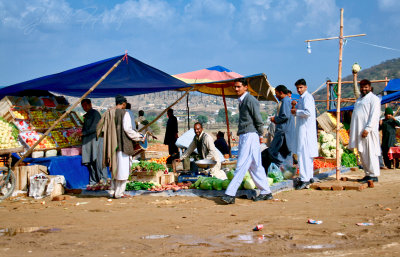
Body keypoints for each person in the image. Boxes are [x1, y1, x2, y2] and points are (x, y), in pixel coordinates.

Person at [221, 78, 273, 204]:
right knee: (255, 166)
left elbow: (258, 119)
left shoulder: (250, 100)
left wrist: (260, 134)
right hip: (246, 135)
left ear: (245, 87)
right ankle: (266, 191)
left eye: (238, 86)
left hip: (250, 135)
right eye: (235, 87)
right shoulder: (243, 101)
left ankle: (230, 193)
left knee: (241, 165)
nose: (236, 89)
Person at [97, 95, 144, 198]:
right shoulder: (124, 113)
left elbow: (100, 127)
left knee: (115, 169)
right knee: (123, 170)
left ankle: (113, 191)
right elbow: (127, 129)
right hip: (123, 145)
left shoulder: (109, 112)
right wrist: (139, 137)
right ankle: (119, 193)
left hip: (112, 145)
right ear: (123, 104)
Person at [349, 79, 381, 183]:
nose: (364, 89)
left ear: (370, 88)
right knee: (362, 153)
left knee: (370, 152)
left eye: (366, 87)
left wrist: (367, 128)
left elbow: (375, 115)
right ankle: (367, 173)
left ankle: (373, 174)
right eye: (362, 87)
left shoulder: (374, 99)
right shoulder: (359, 99)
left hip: (368, 132)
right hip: (359, 130)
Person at [291, 79, 318, 190]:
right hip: (304, 130)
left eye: (301, 87)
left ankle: (304, 179)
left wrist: (296, 112)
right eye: (297, 88)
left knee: (303, 155)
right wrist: (296, 108)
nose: (299, 90)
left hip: (305, 131)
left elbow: (308, 112)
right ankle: (309, 176)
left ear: (305, 87)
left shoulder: (307, 97)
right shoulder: (302, 98)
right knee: (306, 155)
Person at [262, 85, 291, 171]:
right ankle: (284, 168)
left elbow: (285, 116)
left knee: (273, 152)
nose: (276, 96)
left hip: (282, 131)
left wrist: (275, 119)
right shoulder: (287, 101)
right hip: (284, 131)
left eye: (277, 94)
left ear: (281, 93)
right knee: (284, 152)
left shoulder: (285, 101)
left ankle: (279, 167)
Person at [80, 99, 108, 185]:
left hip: (95, 141)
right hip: (88, 142)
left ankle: (103, 181)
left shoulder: (95, 114)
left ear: (90, 104)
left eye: (85, 105)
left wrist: (83, 133)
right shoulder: (88, 115)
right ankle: (94, 182)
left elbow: (95, 128)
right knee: (91, 162)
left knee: (98, 161)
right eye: (83, 106)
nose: (84, 107)